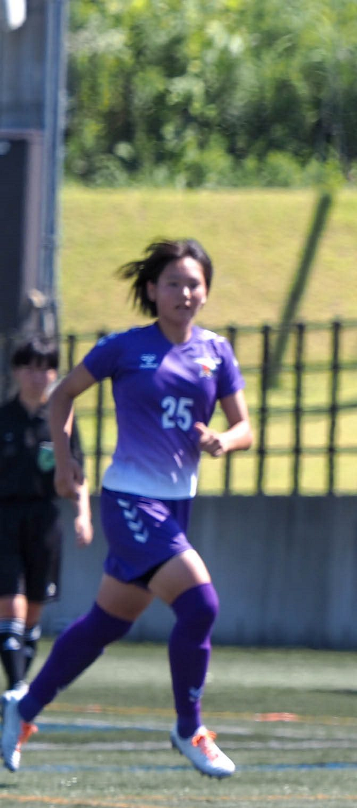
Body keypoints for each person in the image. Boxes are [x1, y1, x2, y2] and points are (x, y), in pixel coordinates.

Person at [1, 239, 252, 777]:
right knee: (201, 605)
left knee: (104, 626)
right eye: (172, 283)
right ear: (150, 290)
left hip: (177, 506)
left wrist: (224, 442)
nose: (184, 293)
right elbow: (63, 395)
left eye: (194, 283)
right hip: (131, 503)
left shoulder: (217, 352)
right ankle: (189, 728)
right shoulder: (124, 348)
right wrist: (65, 461)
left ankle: (22, 706)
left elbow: (245, 427)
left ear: (206, 290)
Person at [0, 338, 93, 691]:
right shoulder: (3, 419)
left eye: (46, 368)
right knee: (11, 606)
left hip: (45, 521)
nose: (38, 377)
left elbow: (77, 473)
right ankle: (17, 687)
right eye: (30, 368)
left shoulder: (61, 423)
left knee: (34, 610)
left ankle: (16, 689)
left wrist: (82, 515)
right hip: (5, 519)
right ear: (16, 371)